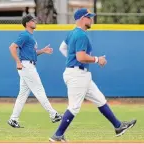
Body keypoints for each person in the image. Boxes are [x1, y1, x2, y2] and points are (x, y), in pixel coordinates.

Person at [49, 8, 136, 142]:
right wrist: (97, 59)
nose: (91, 19)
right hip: (77, 75)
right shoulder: (82, 35)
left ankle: (118, 126)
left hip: (79, 73)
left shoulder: (72, 33)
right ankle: (58, 135)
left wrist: (71, 60)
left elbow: (62, 48)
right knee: (74, 107)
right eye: (89, 17)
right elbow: (81, 56)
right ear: (82, 18)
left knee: (100, 99)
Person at [7, 14, 62, 128]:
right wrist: (17, 61)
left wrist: (43, 50)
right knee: (39, 90)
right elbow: (12, 47)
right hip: (26, 66)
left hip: (29, 65)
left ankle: (13, 119)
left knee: (22, 95)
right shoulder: (25, 35)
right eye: (33, 20)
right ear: (27, 23)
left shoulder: (30, 36)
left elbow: (31, 53)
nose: (35, 21)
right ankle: (53, 114)